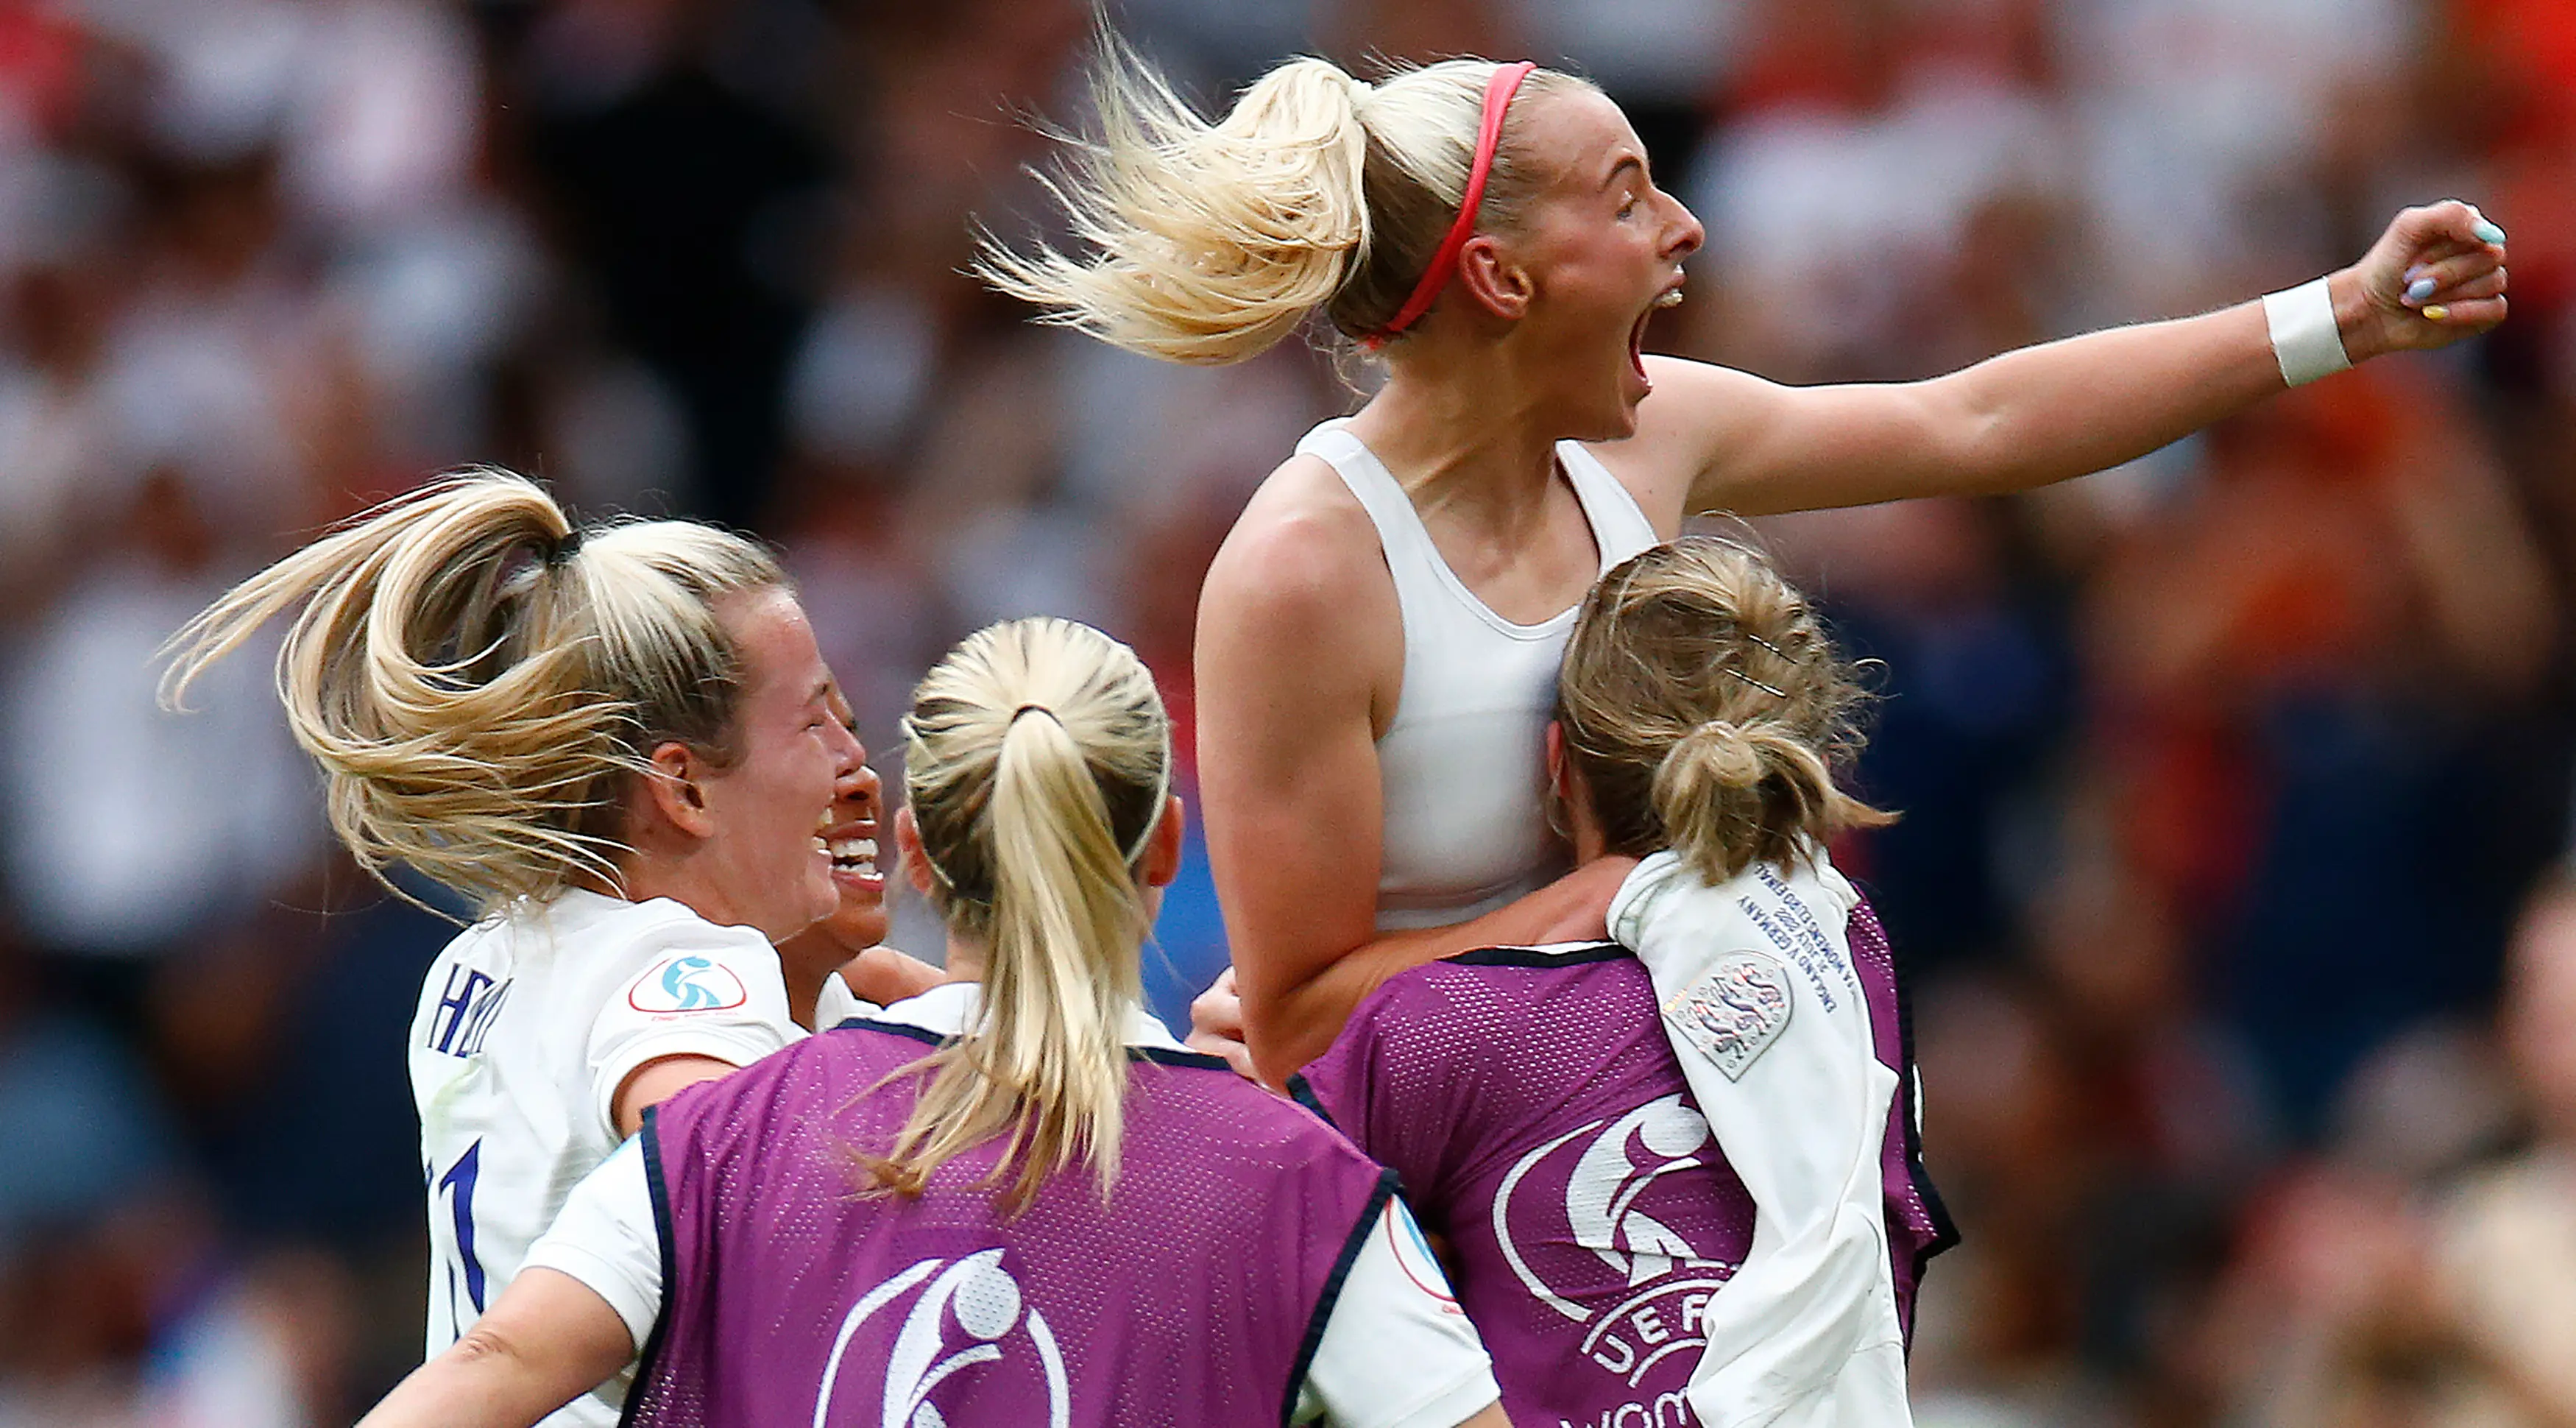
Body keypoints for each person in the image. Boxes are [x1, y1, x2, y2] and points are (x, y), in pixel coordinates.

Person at [980, 44, 2512, 1083]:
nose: (1688, 226)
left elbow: (1975, 418)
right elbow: (1300, 1014)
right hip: (1436, 1204)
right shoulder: (1304, 571)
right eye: (1630, 192)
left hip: (1672, 1117)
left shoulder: (1648, 440)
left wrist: (2338, 319)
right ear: (1506, 278)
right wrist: (1639, 885)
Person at [350, 617, 1512, 1428]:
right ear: (1166, 842)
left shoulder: (725, 1139)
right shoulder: (1298, 1182)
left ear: (913, 849)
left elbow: (497, 1363)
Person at [160, 470, 869, 1427]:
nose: (849, 760)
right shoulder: (686, 971)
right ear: (685, 789)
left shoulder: (479, 962)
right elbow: (721, 1137)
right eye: (815, 717)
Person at [1295, 538, 1951, 1428]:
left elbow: (1267, 1274)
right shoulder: (1854, 965)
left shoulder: (1441, 1030)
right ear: (1799, 766)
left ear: (1558, 767)